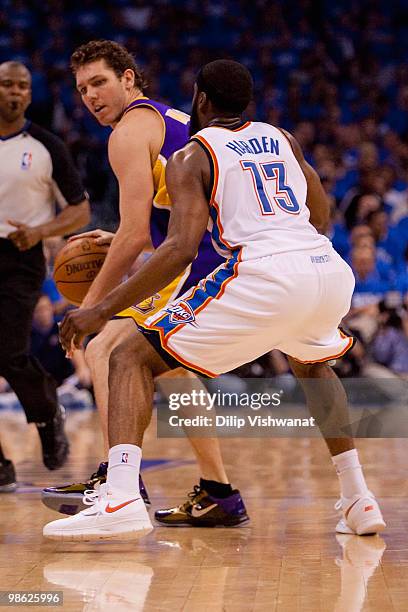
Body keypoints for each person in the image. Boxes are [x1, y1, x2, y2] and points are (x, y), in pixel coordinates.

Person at [44, 59, 386, 541]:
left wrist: (99, 308)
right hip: (325, 269)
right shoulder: (282, 137)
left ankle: (120, 496)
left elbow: (180, 247)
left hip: (264, 274)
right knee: (311, 364)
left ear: (202, 99)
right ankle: (357, 497)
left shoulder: (193, 153)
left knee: (127, 357)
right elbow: (321, 213)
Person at [41, 40, 249, 526]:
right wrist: (116, 237)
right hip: (220, 256)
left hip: (199, 263)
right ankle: (219, 491)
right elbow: (166, 219)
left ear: (129, 79)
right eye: (82, 89)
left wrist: (89, 309)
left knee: (104, 349)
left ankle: (119, 484)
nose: (90, 96)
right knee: (173, 371)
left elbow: (136, 237)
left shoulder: (129, 132)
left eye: (100, 83)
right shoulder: (170, 119)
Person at [0, 61, 90, 491]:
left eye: (22, 86)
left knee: (9, 351)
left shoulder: (46, 144)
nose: (14, 92)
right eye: (6, 85)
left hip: (21, 255)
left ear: (29, 96)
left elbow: (80, 209)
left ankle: (47, 414)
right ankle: (0, 464)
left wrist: (41, 230)